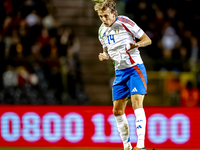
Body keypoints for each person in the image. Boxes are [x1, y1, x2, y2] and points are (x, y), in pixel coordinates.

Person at [93, 0, 152, 150]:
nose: (104, 20)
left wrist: (137, 44)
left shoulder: (125, 22)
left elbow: (147, 39)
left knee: (136, 104)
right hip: (119, 72)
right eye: (100, 16)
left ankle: (141, 146)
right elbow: (107, 51)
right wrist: (105, 56)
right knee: (117, 111)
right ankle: (127, 147)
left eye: (106, 16)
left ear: (114, 13)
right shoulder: (101, 31)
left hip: (134, 69)